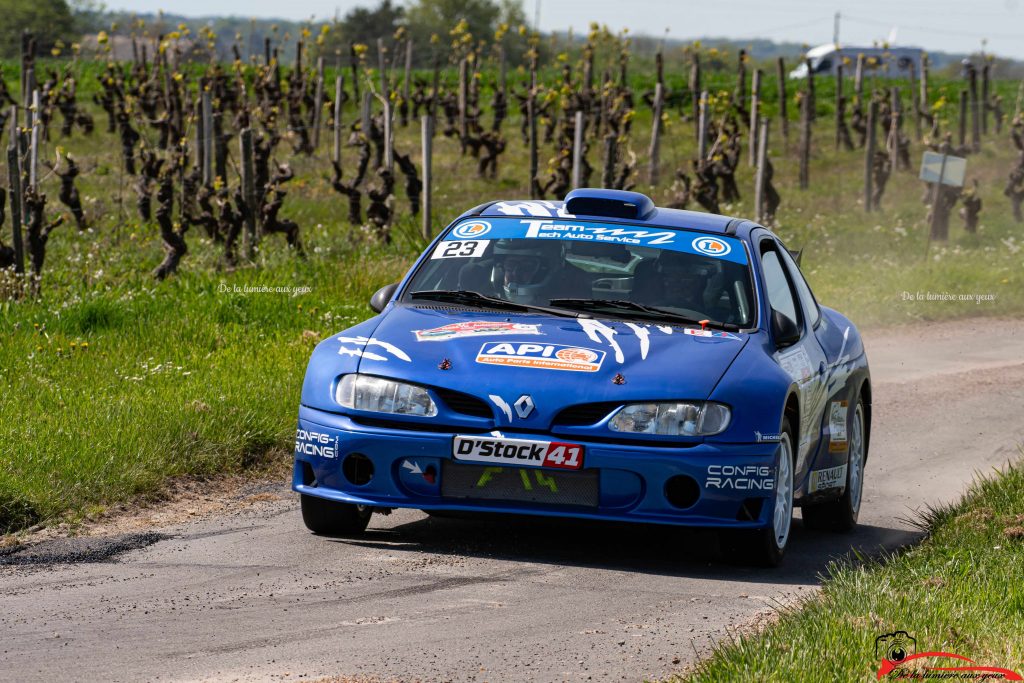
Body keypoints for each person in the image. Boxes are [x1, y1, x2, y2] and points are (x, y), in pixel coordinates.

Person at [458, 239, 588, 305]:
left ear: (546, 269)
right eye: (510, 265)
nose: (515, 273)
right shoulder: (476, 298)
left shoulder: (570, 302)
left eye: (526, 267)